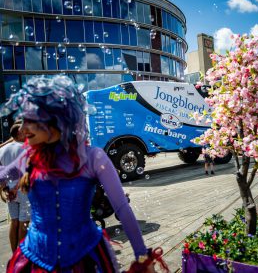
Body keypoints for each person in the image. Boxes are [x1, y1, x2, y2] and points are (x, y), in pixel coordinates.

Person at [0, 76, 165, 272]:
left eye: (31, 120)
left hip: (87, 259)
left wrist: (142, 257)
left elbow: (122, 208)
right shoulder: (28, 157)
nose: (24, 128)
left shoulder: (93, 157)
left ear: (57, 119)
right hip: (34, 260)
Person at [0, 120, 30, 252]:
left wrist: (5, 189)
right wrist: (15, 188)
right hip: (22, 189)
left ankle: (14, 253)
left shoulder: (2, 149)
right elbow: (26, 172)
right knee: (24, 222)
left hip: (9, 191)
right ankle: (22, 255)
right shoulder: (25, 149)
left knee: (14, 221)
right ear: (19, 134)